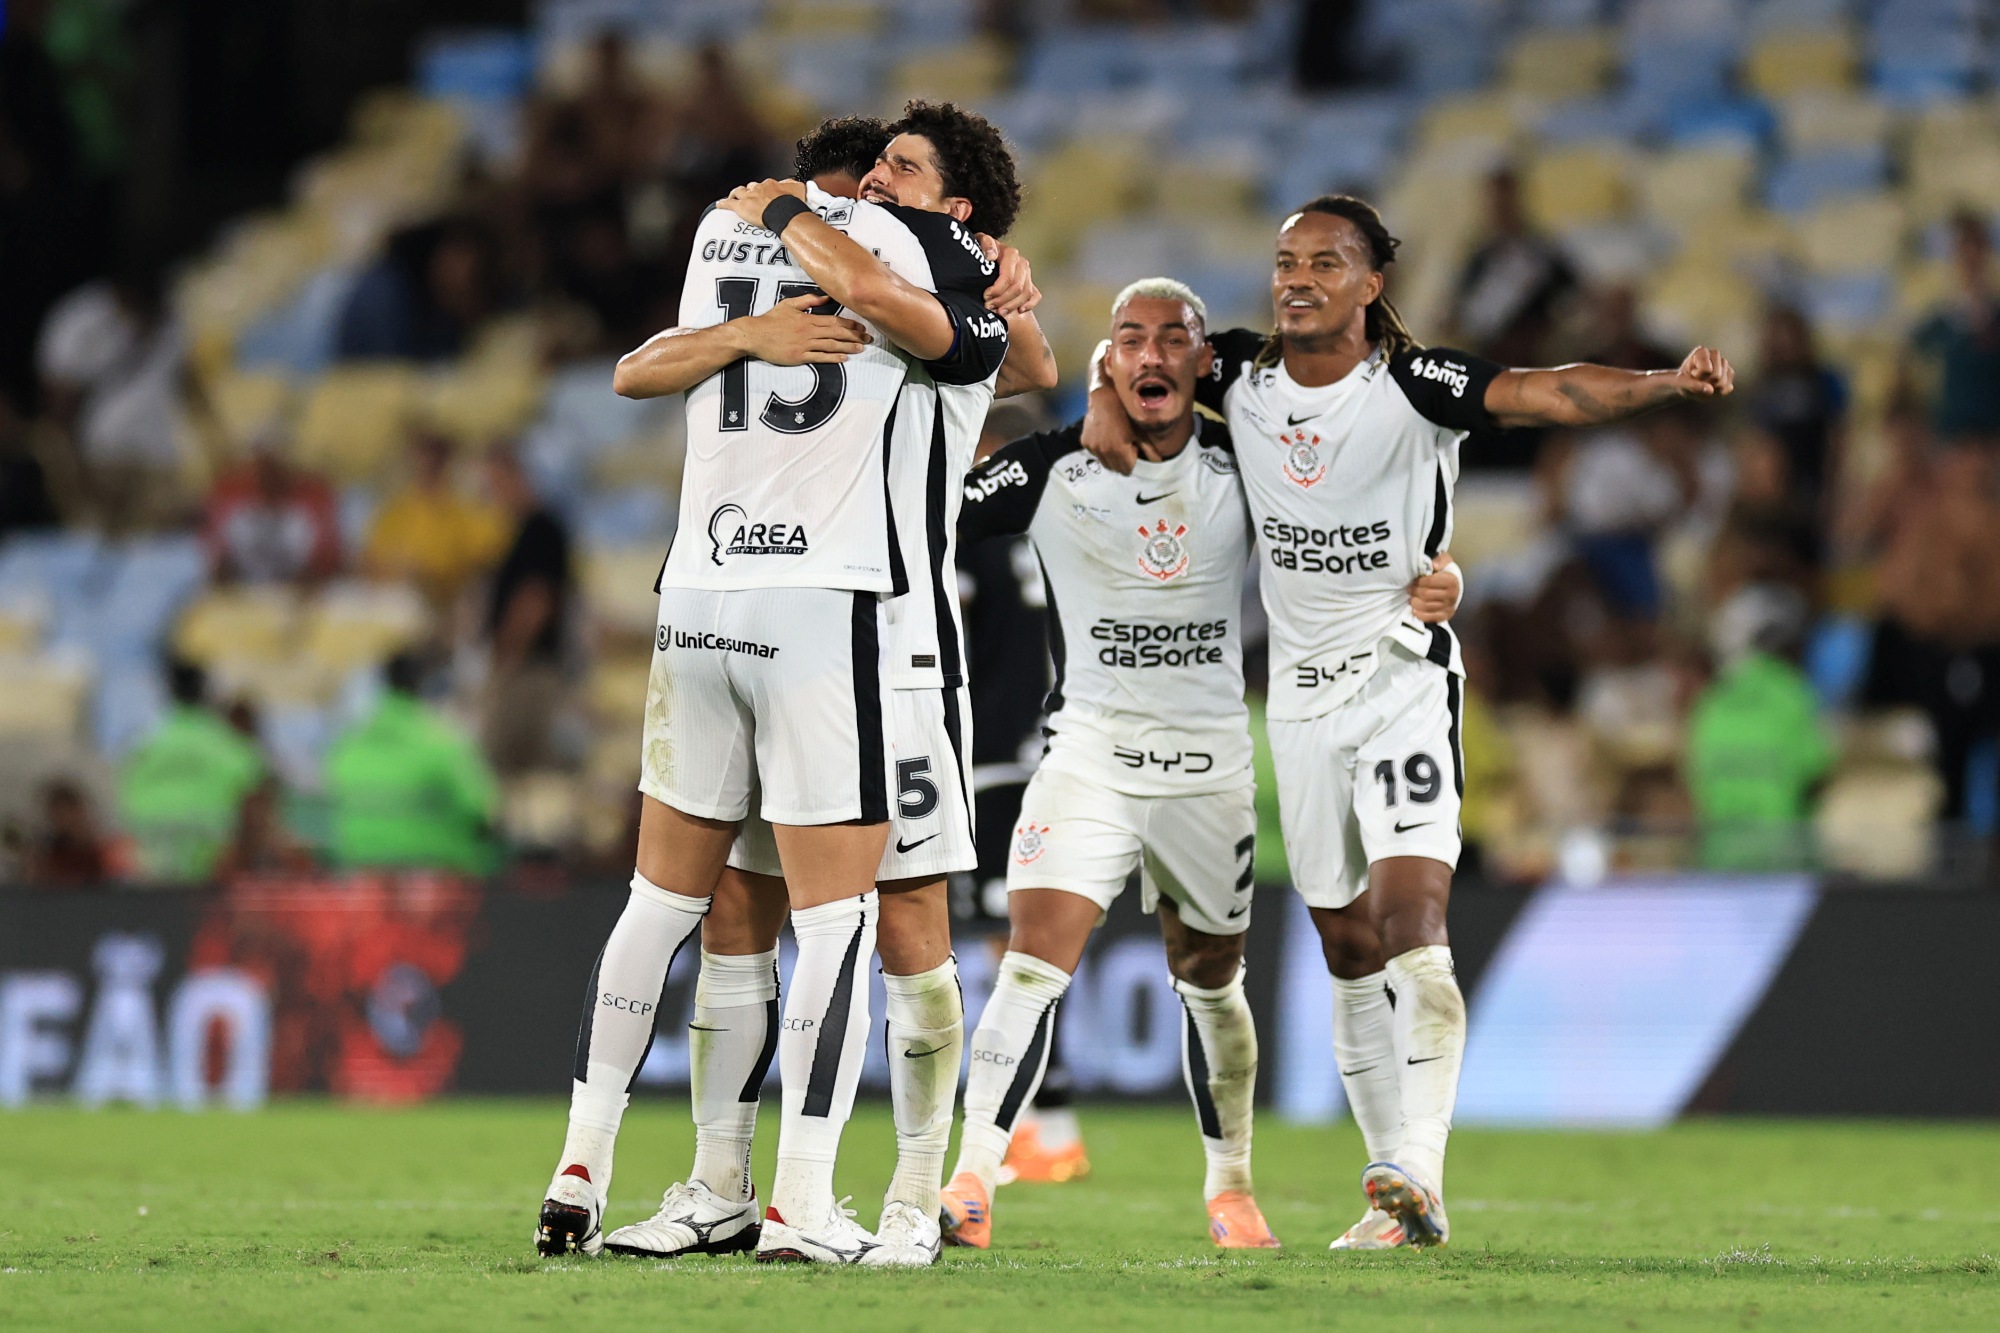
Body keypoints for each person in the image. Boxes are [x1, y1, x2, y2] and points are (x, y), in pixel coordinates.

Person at [1083, 194, 1734, 1248]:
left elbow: (1549, 392)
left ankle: (1414, 1164)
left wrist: (1663, 384)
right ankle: (1394, 1205)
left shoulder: (1415, 385)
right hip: (1294, 697)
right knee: (1342, 943)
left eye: (1325, 263)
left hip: (1400, 676)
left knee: (1410, 931)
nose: (1297, 278)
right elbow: (1131, 352)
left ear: (1371, 283)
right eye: (1286, 260)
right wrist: (1100, 400)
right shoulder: (1235, 373)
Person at [534, 105, 1030, 1268]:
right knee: (784, 917)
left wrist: (991, 270)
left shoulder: (866, 250)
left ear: (951, 207)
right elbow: (638, 366)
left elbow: (1029, 358)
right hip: (829, 613)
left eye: (895, 175)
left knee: (896, 922)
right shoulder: (843, 255)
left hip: (859, 631)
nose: (868, 193)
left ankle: (909, 1193)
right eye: (856, 180)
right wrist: (755, 320)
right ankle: (754, 1189)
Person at [939, 279, 1460, 1252]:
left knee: (1210, 983)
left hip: (1207, 764)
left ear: (1199, 363)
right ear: (1107, 364)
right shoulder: (1051, 466)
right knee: (1028, 964)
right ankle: (971, 1176)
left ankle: (1230, 1187)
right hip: (1087, 752)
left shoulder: (1250, 464)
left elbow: (1348, 535)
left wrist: (1436, 572)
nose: (1149, 355)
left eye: (1170, 337)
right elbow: (927, 524)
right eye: (1127, 338)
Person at [1686, 584, 1830, 871]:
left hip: (1720, 865)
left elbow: (1694, 781)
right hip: (1786, 864)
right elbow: (1818, 773)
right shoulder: (1793, 694)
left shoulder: (1710, 702)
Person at [324, 654, 499, 878]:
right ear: (423, 684)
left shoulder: (346, 745)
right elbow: (482, 809)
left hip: (361, 875)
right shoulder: (443, 742)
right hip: (436, 874)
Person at [118, 660, 266, 884]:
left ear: (168, 691)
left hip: (150, 878)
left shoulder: (140, 747)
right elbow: (257, 809)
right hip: (214, 880)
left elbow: (123, 807)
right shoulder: (231, 746)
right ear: (207, 692)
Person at [481, 448, 574, 775]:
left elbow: (536, 601)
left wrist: (507, 657)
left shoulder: (541, 530)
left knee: (509, 761)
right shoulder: (519, 531)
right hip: (523, 664)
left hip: (529, 670)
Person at [363, 431, 509, 614]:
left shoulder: (465, 510)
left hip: (442, 616)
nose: (429, 459)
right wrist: (401, 571)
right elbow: (368, 563)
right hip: (392, 614)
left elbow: (496, 547)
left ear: (449, 455)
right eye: (424, 449)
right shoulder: (394, 509)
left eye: (437, 450)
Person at [203, 432, 342, 586]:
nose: (269, 466)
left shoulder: (314, 494)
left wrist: (315, 571)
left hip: (299, 594)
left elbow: (329, 556)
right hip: (243, 591)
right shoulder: (229, 492)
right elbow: (216, 553)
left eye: (277, 457)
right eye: (262, 459)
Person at [1909, 211, 2000, 446]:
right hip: (1951, 440)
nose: (1971, 257)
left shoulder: (1993, 316)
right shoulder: (1936, 324)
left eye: (1977, 246)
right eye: (1963, 248)